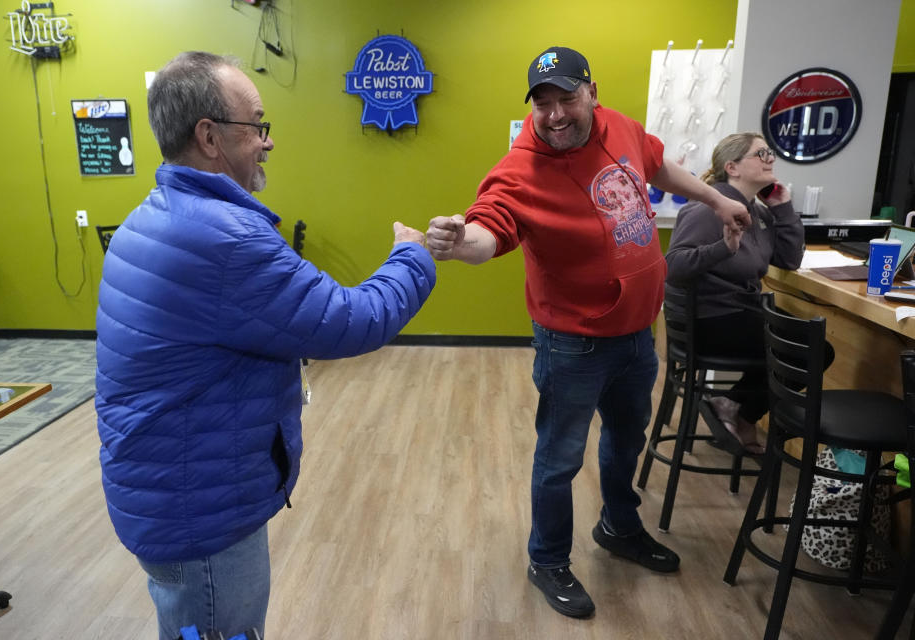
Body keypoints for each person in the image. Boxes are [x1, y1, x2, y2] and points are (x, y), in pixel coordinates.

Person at [94, 51, 436, 640]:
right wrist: (412, 255)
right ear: (209, 137)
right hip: (199, 510)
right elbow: (352, 320)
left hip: (170, 486)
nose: (267, 141)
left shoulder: (152, 216)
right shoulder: (225, 238)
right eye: (257, 125)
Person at [425, 46, 751, 619]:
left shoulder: (618, 126)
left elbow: (656, 165)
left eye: (566, 98)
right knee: (559, 457)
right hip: (572, 342)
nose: (554, 114)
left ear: (591, 92)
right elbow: (487, 230)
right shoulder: (518, 170)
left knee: (626, 440)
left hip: (637, 332)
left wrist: (716, 198)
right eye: (542, 103)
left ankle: (617, 527)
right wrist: (458, 244)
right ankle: (547, 557)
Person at [665, 133, 809, 455]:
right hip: (710, 318)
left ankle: (735, 408)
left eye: (771, 153)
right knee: (805, 349)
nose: (771, 159)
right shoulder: (708, 207)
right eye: (761, 154)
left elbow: (789, 260)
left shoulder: (758, 213)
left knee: (806, 345)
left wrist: (784, 209)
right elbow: (672, 265)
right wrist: (723, 248)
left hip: (741, 313)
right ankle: (737, 410)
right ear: (732, 167)